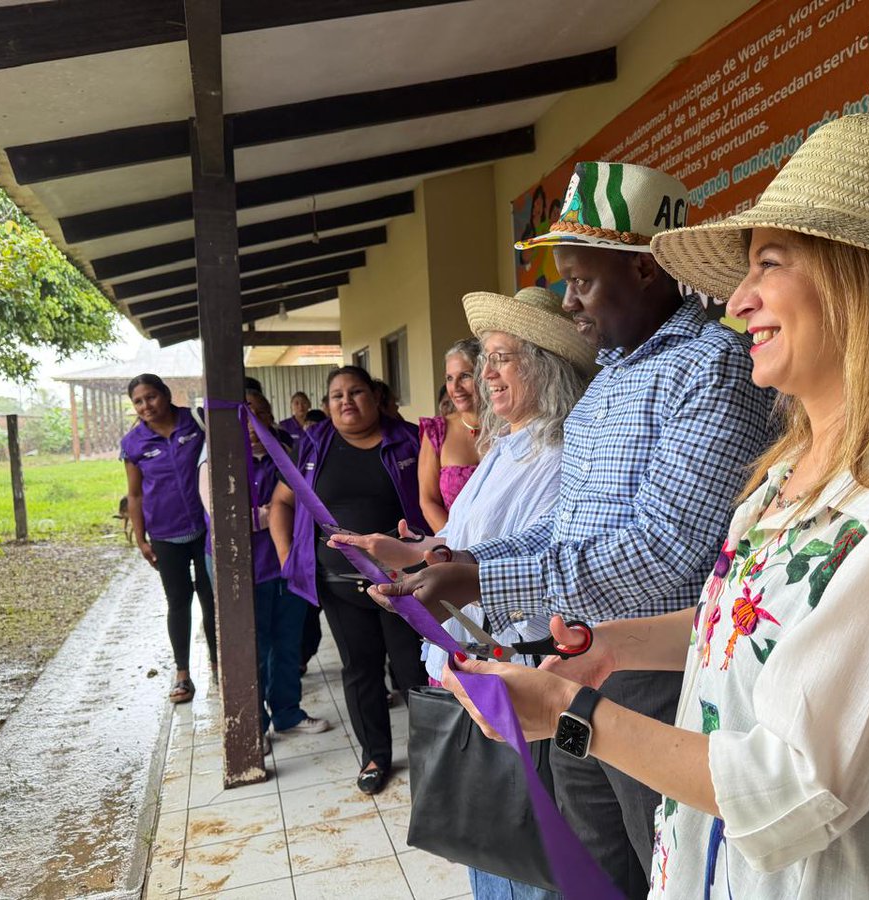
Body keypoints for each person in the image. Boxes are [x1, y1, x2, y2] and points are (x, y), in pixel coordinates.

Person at [433, 113, 869, 899]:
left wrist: (571, 710)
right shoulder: (791, 473)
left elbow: (788, 787)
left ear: (863, 283)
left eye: (768, 266)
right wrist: (615, 645)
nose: (738, 301)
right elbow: (755, 623)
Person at [372, 161, 775, 897]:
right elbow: (563, 528)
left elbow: (666, 556)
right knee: (589, 868)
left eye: (582, 280)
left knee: (663, 867)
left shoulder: (709, 367)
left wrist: (482, 578)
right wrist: (456, 559)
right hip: (581, 656)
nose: (569, 300)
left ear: (650, 272)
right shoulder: (613, 376)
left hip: (658, 677)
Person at [334, 286, 594, 900]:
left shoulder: (560, 456)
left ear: (547, 366)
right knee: (488, 835)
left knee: (523, 848)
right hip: (474, 668)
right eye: (488, 357)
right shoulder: (504, 448)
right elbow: (457, 542)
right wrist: (398, 552)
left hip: (519, 673)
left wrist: (438, 571)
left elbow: (526, 569)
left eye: (505, 357)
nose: (487, 373)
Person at [269, 365, 428, 794]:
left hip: (404, 584)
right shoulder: (313, 446)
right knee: (360, 672)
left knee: (416, 671)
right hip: (339, 586)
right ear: (327, 406)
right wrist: (290, 557)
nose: (346, 401)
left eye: (356, 392)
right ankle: (375, 755)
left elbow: (435, 501)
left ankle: (433, 758)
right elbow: (281, 502)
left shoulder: (411, 440)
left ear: (376, 397)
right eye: (337, 395)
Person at [197, 389, 332, 751]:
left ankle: (288, 713)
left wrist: (272, 513)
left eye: (257, 413)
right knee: (251, 646)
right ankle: (254, 723)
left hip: (286, 562)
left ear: (270, 415)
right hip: (241, 569)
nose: (251, 425)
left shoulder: (287, 453)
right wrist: (272, 511)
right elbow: (225, 519)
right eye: (243, 416)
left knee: (287, 641)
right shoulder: (218, 461)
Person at [120, 373, 216, 704]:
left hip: (205, 529)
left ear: (165, 394)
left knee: (211, 597)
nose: (146, 405)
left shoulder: (197, 421)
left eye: (151, 397)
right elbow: (134, 495)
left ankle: (220, 668)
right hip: (164, 534)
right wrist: (142, 539)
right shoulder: (133, 443)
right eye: (138, 401)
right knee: (178, 601)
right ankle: (182, 674)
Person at [418, 338, 482, 532]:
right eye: (449, 378)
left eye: (465, 376)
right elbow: (429, 501)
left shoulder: (510, 427)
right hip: (454, 546)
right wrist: (455, 546)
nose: (455, 388)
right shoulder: (437, 431)